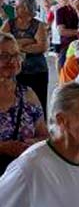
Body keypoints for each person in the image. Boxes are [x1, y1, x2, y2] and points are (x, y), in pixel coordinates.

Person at [0, 34, 48, 176]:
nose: (13, 60)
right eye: (4, 56)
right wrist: (3, 147)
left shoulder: (28, 95)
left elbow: (44, 135)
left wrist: (33, 144)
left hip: (22, 177)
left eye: (16, 54)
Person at [1, 0, 48, 114]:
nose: (15, 8)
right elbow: (2, 41)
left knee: (39, 103)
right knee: (16, 102)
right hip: (15, 70)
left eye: (18, 6)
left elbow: (42, 47)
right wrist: (29, 41)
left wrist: (16, 45)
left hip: (37, 70)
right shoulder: (10, 23)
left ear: (26, 8)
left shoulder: (39, 25)